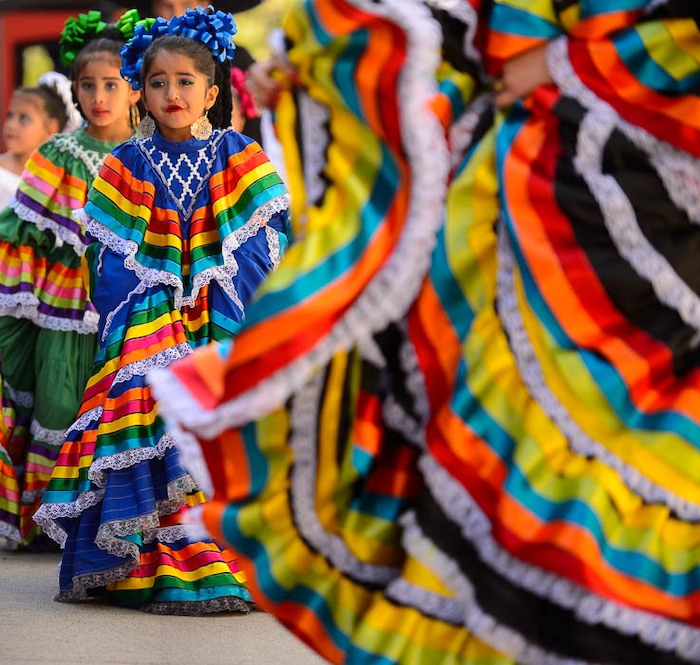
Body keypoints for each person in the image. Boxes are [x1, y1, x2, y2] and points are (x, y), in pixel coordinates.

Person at [149, 0, 700, 662]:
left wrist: (566, 62)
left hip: (609, 185)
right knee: (512, 451)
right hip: (542, 207)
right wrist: (320, 62)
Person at [35, 6, 291, 614]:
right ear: (140, 93)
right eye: (156, 82)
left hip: (220, 321)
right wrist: (155, 317)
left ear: (212, 90)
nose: (171, 93)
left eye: (185, 82)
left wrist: (217, 307)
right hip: (146, 326)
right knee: (150, 410)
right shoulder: (126, 164)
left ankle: (219, 558)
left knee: (216, 417)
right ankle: (141, 565)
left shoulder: (241, 154)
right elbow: (107, 258)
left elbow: (264, 244)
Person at [0, 10, 142, 551]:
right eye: (89, 85)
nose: (100, 96)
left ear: (134, 88)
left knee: (119, 414)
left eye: (113, 84)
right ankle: (51, 522)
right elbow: (19, 231)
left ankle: (109, 523)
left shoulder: (148, 156)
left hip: (131, 314)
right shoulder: (57, 156)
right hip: (64, 311)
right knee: (61, 406)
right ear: (75, 91)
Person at [0, 73, 82, 210]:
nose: (11, 125)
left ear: (51, 129)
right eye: (10, 115)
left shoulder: (57, 185)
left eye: (24, 118)